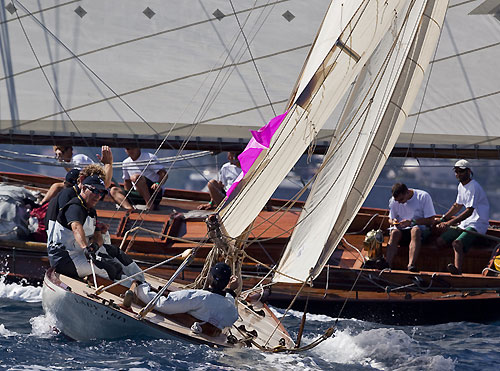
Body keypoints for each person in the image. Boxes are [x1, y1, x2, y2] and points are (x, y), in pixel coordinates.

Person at [47, 175, 143, 282]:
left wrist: (95, 246)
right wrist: (86, 248)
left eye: (101, 193)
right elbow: (76, 228)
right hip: (65, 259)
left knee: (116, 253)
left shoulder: (91, 211)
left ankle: (141, 281)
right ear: (83, 188)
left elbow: (97, 234)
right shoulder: (74, 207)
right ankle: (131, 289)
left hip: (80, 254)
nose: (98, 196)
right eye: (95, 191)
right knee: (109, 267)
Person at [134, 262, 239, 330]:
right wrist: (230, 291)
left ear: (209, 277)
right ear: (226, 283)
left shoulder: (199, 296)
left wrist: (141, 287)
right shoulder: (231, 311)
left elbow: (164, 305)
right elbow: (227, 305)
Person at [435, 160, 490, 275]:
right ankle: (439, 268)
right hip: (465, 223)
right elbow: (457, 205)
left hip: (477, 223)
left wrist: (449, 223)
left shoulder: (474, 187)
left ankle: (457, 272)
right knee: (440, 241)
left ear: (469, 171)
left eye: (461, 171)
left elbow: (469, 211)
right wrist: (443, 219)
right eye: (456, 171)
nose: (458, 174)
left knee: (457, 243)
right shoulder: (461, 185)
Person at [386, 183, 436, 272]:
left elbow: (431, 220)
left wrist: (412, 222)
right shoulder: (394, 201)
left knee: (415, 230)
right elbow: (390, 219)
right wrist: (394, 222)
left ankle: (411, 265)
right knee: (394, 233)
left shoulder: (423, 196)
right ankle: (387, 264)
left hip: (420, 232)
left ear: (407, 192)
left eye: (401, 199)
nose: (399, 202)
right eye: (397, 200)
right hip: (402, 231)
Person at [40, 145, 113, 205]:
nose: (59, 156)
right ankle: (42, 204)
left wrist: (108, 164)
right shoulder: (71, 162)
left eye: (62, 153)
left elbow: (76, 177)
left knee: (57, 186)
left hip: (92, 188)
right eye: (56, 155)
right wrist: (63, 161)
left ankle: (41, 205)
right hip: (89, 186)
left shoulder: (78, 158)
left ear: (70, 150)